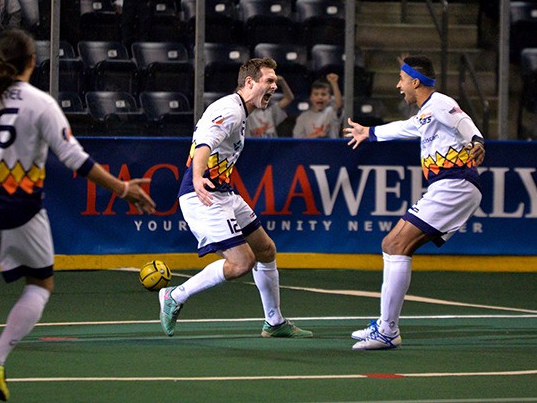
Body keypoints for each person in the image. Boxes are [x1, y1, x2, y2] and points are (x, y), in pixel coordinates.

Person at [0, 29, 156, 403]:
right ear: (31, 63)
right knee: (40, 285)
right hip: (22, 210)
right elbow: (77, 160)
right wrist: (123, 189)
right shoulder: (39, 103)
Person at [159, 58, 312, 339]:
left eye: (275, 81)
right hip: (202, 195)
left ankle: (274, 322)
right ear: (250, 83)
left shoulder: (240, 110)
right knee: (242, 263)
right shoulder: (229, 110)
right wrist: (197, 177)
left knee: (266, 250)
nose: (274, 86)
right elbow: (204, 142)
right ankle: (175, 295)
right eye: (269, 80)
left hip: (224, 192)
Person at [343, 55, 486, 351]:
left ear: (415, 82)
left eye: (402, 79)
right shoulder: (426, 114)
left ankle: (387, 331)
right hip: (450, 186)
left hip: (455, 184)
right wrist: (368, 132)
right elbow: (405, 128)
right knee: (392, 244)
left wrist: (477, 142)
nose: (398, 85)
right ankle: (386, 325)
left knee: (395, 245)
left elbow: (463, 120)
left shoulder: (441, 103)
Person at [292, 73, 343, 139]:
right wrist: (317, 135)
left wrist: (334, 83)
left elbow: (339, 105)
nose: (320, 97)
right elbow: (297, 140)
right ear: (311, 98)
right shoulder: (303, 117)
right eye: (316, 94)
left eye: (323, 94)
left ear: (330, 98)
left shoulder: (331, 112)